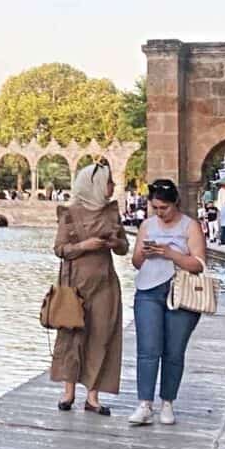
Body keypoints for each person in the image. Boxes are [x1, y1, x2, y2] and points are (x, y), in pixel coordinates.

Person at [51, 163, 128, 416]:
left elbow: (123, 248)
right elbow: (60, 249)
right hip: (75, 284)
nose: (112, 187)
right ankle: (68, 391)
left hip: (104, 283)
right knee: (72, 336)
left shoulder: (111, 213)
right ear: (93, 185)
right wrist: (85, 245)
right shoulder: (70, 213)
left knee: (101, 336)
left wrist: (113, 242)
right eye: (108, 182)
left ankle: (92, 396)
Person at [128, 179, 206, 426]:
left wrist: (170, 253)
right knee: (148, 349)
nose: (160, 213)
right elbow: (136, 263)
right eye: (155, 208)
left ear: (175, 204)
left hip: (180, 293)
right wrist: (145, 252)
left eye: (164, 208)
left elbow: (199, 264)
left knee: (173, 351)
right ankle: (144, 404)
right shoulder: (147, 225)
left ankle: (168, 403)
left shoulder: (189, 226)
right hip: (149, 290)